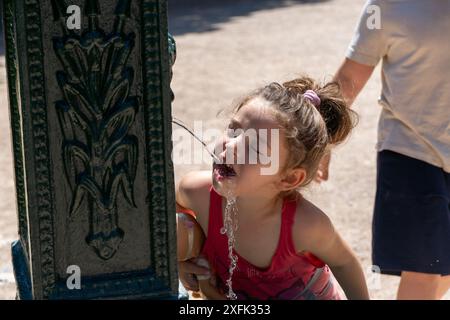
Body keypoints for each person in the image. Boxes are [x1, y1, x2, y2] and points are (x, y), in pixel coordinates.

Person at [176, 76, 369, 300]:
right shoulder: (195, 192)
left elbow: (344, 262)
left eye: (255, 148)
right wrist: (178, 262)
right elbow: (166, 216)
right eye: (233, 130)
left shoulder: (305, 225)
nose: (231, 146)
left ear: (288, 179)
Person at [321, 0, 450, 299]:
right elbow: (349, 77)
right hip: (410, 151)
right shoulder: (387, 7)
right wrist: (323, 137)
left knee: (441, 268)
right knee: (426, 270)